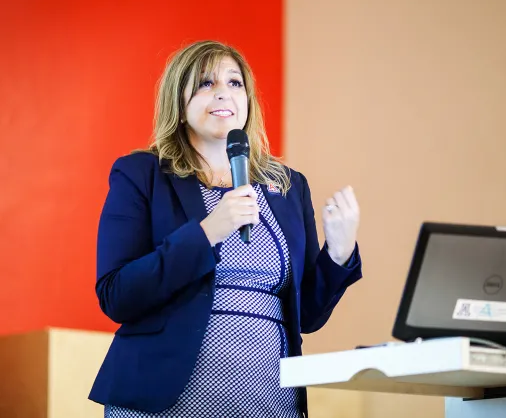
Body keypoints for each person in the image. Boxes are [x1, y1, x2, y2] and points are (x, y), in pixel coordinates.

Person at [88, 40, 363, 418]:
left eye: (234, 83)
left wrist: (339, 252)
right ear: (178, 106)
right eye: (205, 83)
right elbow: (117, 294)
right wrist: (206, 233)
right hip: (164, 403)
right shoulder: (141, 174)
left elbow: (309, 316)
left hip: (268, 402)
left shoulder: (287, 186)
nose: (222, 92)